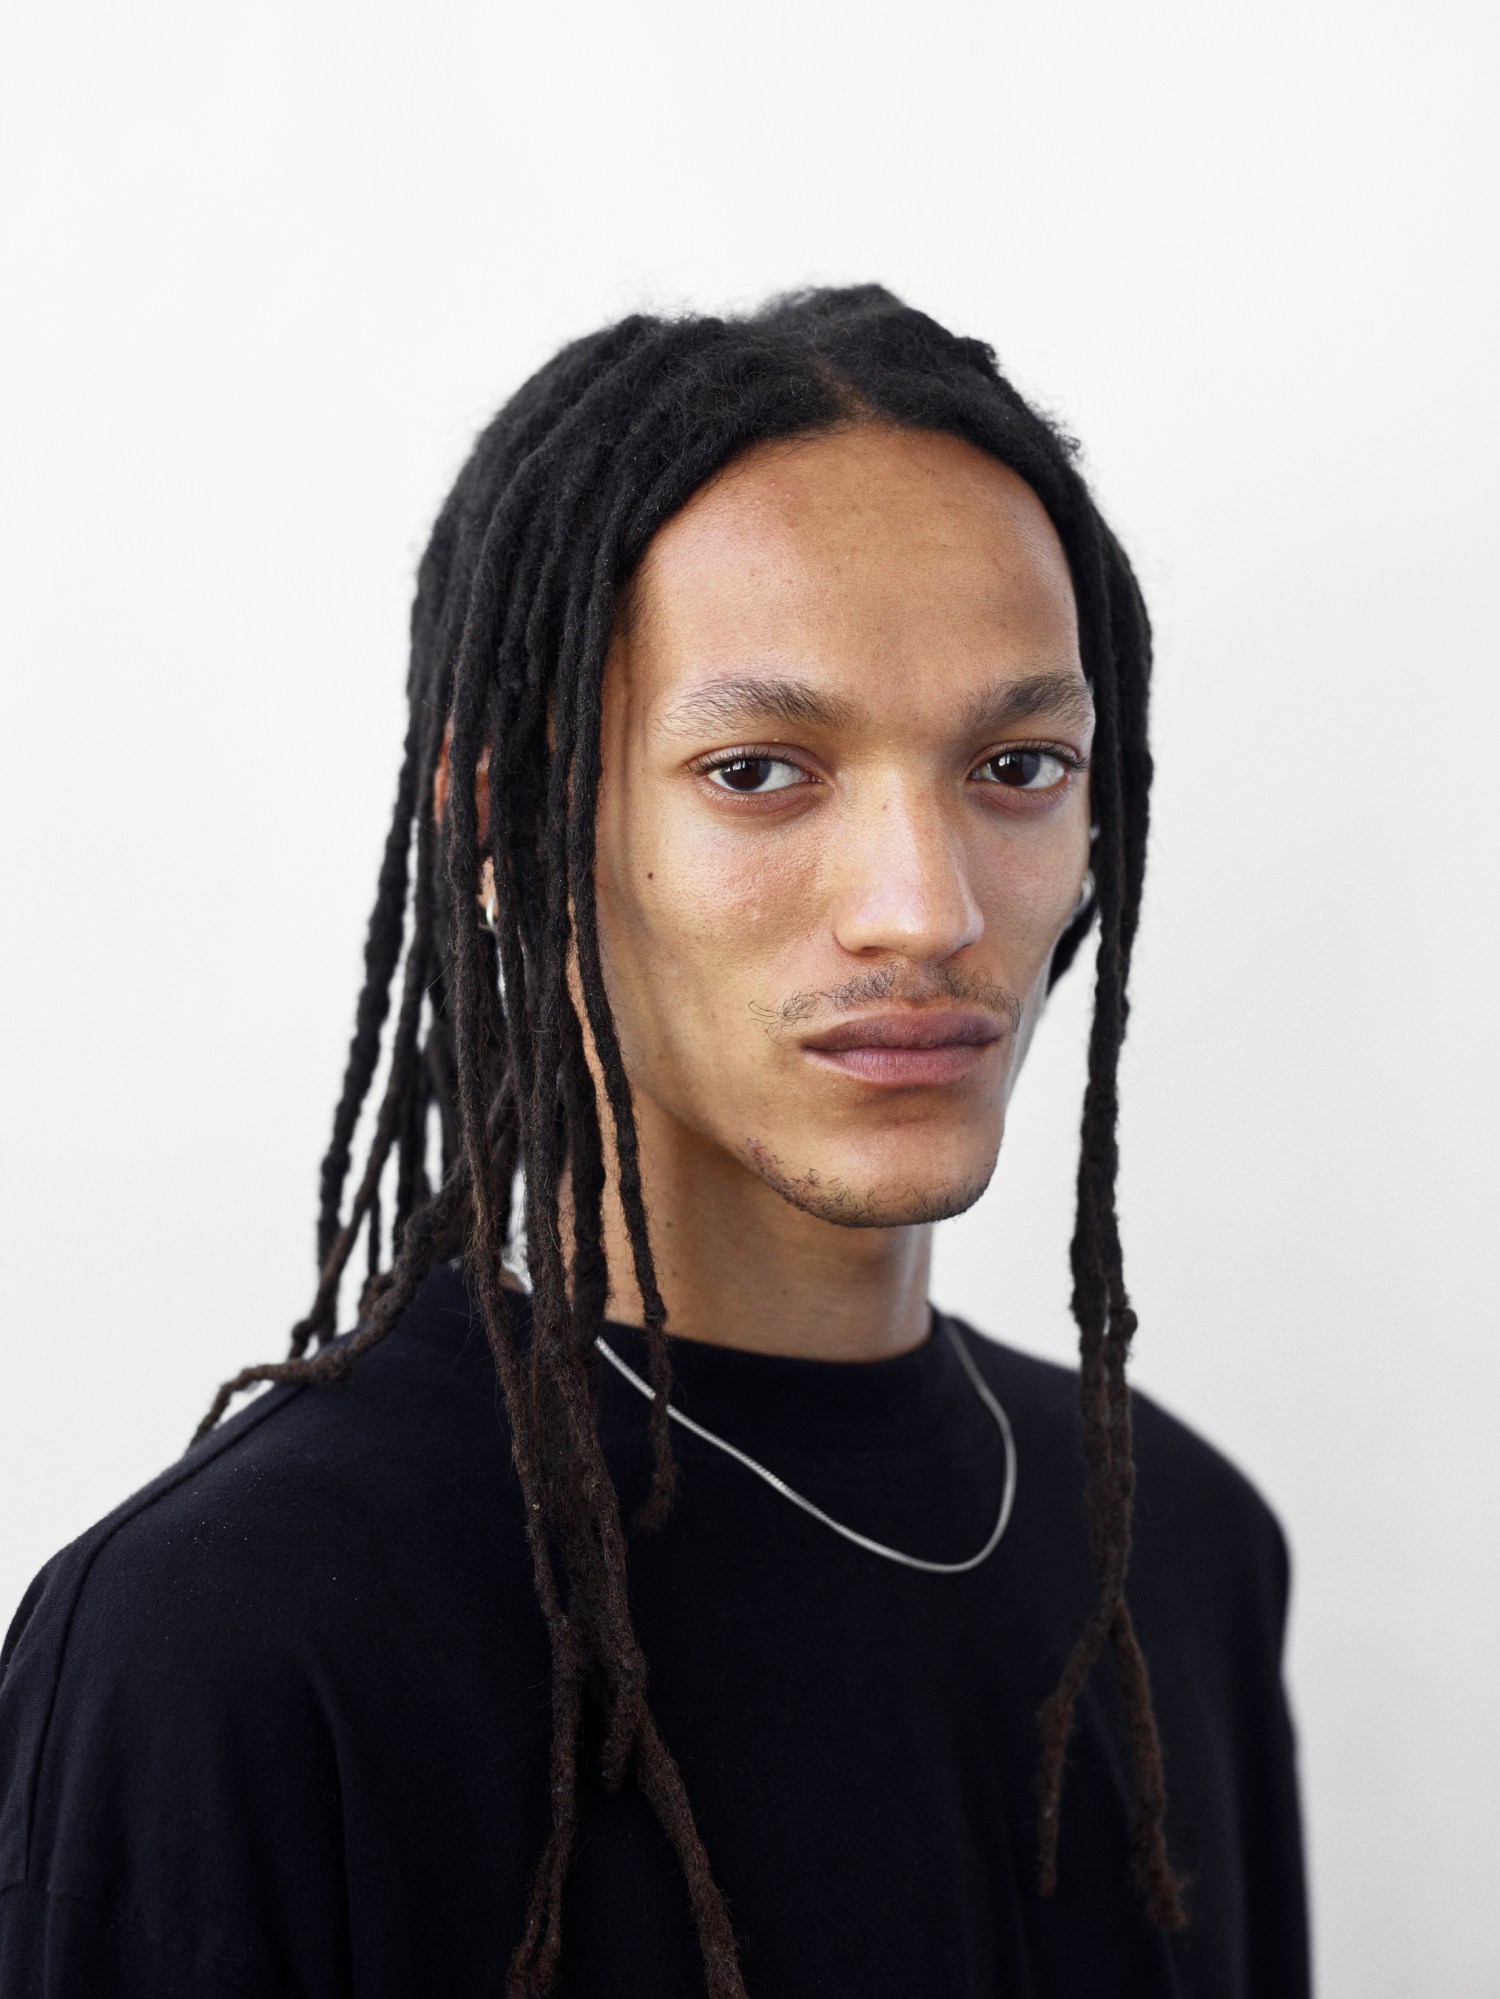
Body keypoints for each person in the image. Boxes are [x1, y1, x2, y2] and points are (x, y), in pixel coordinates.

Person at [0, 287, 1309, 1998]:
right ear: (508, 820)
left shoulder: (1182, 1549)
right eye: (762, 769)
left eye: (1015, 761)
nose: (925, 909)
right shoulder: (233, 1643)